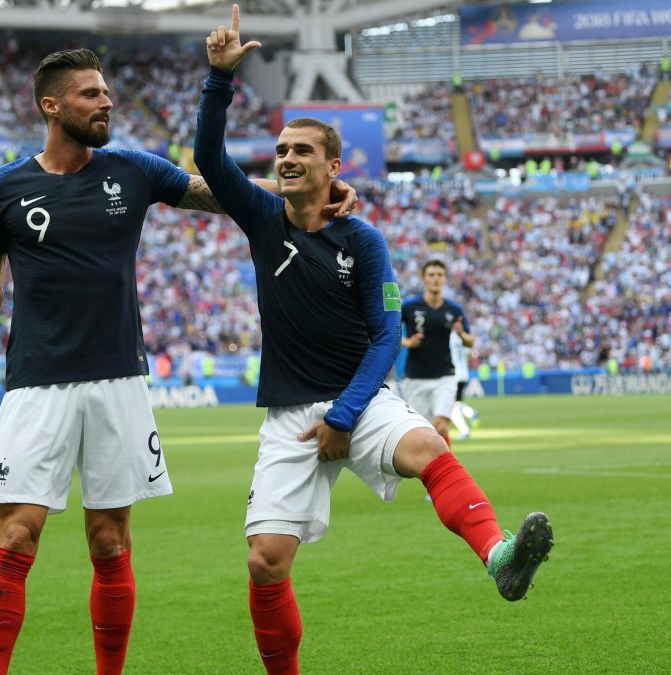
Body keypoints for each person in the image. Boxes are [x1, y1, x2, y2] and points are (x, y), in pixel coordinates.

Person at [0, 47, 357, 675]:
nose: (106, 101)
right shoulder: (1, 189)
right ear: (51, 105)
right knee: (15, 537)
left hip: (119, 380)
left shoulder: (133, 170)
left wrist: (308, 192)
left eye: (106, 91)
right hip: (34, 383)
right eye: (90, 94)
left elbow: (219, 193)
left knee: (110, 542)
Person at [195, 7, 553, 674]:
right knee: (264, 559)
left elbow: (388, 333)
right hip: (288, 415)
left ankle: (499, 555)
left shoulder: (363, 241)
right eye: (281, 151)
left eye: (303, 150)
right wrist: (219, 80)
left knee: (427, 444)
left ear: (333, 165)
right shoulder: (262, 218)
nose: (288, 158)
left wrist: (344, 414)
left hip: (356, 399)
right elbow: (212, 160)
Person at [401, 260, 473, 449]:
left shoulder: (454, 309)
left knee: (441, 426)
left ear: (445, 278)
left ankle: (446, 468)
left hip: (445, 376)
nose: (436, 279)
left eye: (440, 275)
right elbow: (386, 330)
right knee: (422, 433)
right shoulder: (409, 306)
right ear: (423, 278)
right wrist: (407, 342)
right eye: (431, 274)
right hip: (416, 378)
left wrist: (462, 334)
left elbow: (470, 340)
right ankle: (430, 469)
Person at [448, 330, 478, 440]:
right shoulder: (462, 336)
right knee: (455, 403)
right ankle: (470, 412)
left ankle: (464, 431)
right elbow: (471, 355)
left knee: (450, 406)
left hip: (452, 375)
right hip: (463, 374)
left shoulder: (447, 336)